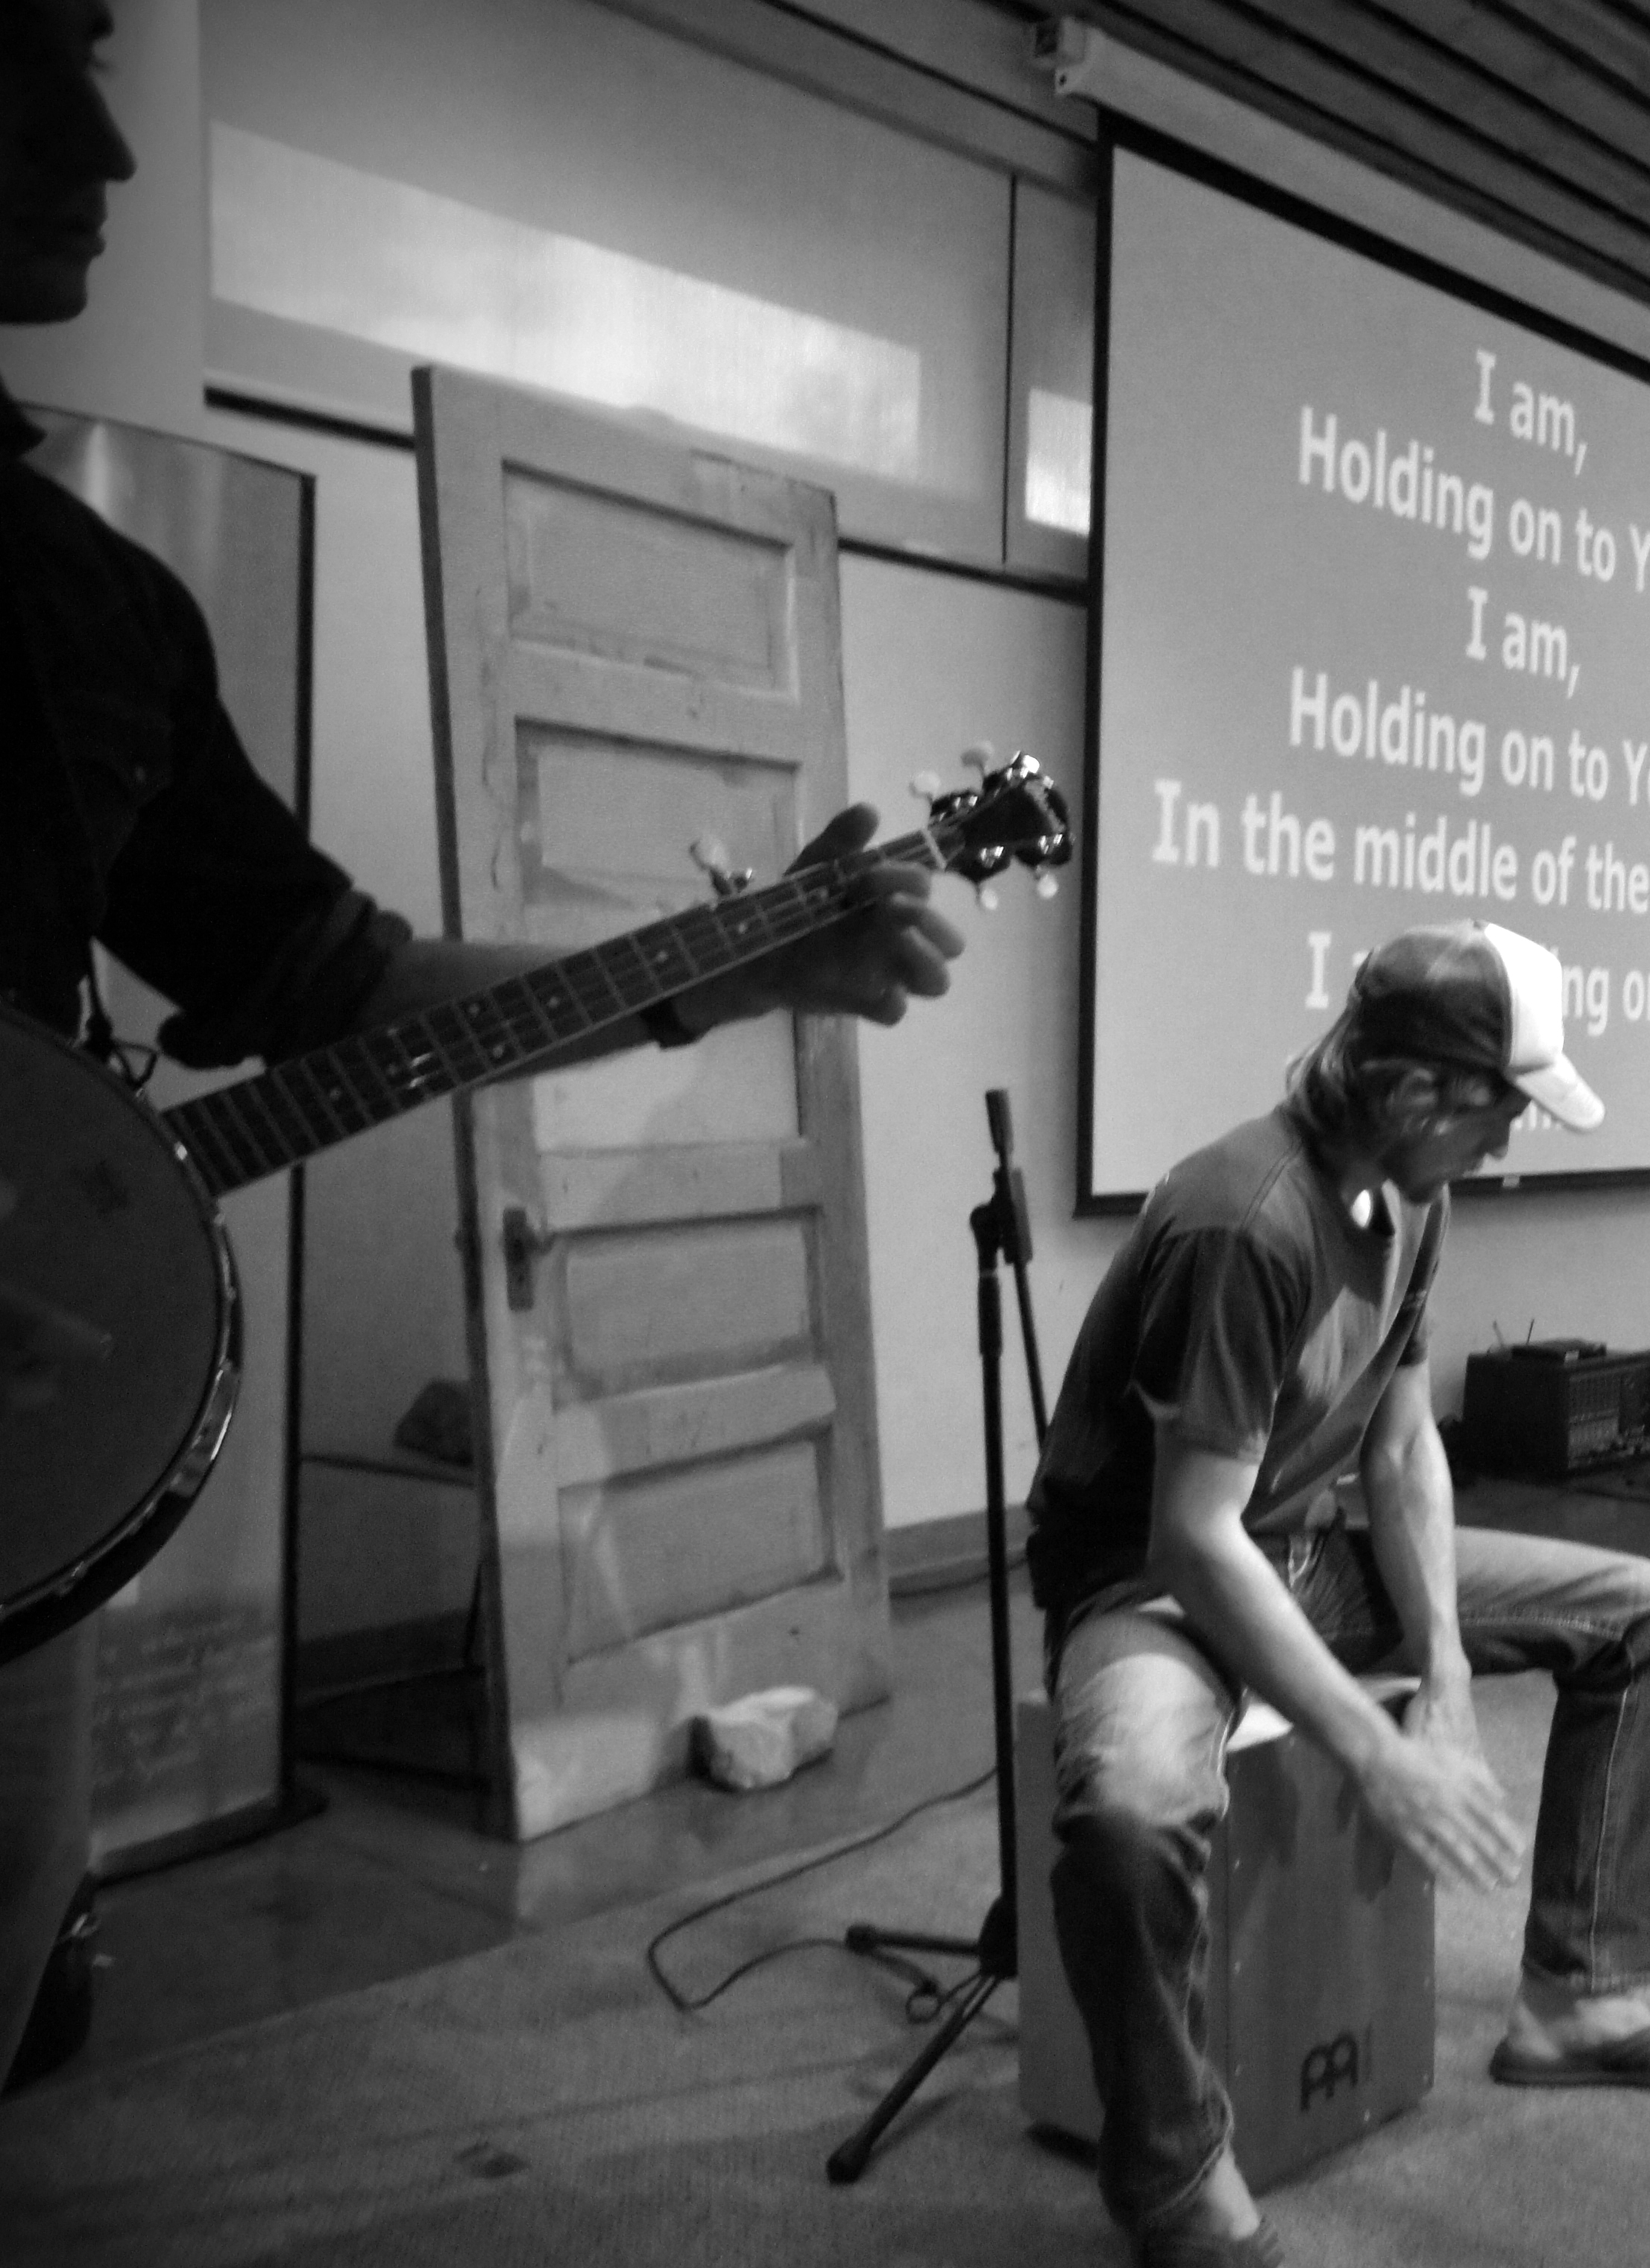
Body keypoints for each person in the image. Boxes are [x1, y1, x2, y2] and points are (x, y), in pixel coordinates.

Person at [1, 0, 964, 2082]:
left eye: (95, 50)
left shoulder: (87, 608)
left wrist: (737, 974)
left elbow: (339, 990)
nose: (107, 144)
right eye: (22, 53)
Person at [1028, 919, 1650, 2268]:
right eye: (1501, 1110)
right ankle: (1173, 2179)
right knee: (1130, 1814)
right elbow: (1193, 1539)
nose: (1510, 1141)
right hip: (1151, 1585)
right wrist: (1378, 1752)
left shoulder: (1414, 1189)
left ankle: (1579, 1996)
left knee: (1649, 1617)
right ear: (1417, 1091)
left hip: (1297, 1550)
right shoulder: (1247, 1219)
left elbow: (1403, 1442)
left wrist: (1448, 1677)